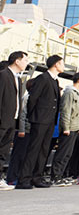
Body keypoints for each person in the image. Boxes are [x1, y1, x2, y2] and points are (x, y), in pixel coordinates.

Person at [16, 55, 62, 189]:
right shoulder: (43, 78)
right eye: (62, 63)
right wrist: (34, 116)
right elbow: (33, 99)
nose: (63, 66)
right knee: (33, 149)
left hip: (49, 120)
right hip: (40, 119)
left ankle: (37, 177)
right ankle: (24, 179)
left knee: (43, 150)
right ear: (56, 64)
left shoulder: (55, 81)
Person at [50, 71, 79, 186]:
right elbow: (66, 110)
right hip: (69, 128)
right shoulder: (70, 92)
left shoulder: (77, 93)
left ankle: (60, 176)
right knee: (62, 153)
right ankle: (55, 177)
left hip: (74, 127)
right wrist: (65, 127)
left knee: (68, 154)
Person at [0, 51, 29, 191]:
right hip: (2, 119)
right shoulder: (3, 75)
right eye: (25, 60)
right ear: (17, 61)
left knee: (3, 151)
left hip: (12, 120)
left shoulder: (18, 79)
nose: (27, 63)